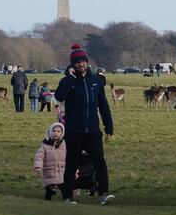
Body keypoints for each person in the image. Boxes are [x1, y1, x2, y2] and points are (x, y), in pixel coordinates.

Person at [55, 43, 115, 206]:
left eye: (83, 61)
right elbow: (59, 97)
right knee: (72, 163)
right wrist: (70, 79)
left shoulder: (96, 81)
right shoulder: (68, 81)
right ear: (73, 64)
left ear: (87, 62)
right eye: (77, 62)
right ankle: (68, 196)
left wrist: (109, 127)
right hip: (74, 130)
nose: (81, 64)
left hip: (93, 130)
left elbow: (103, 105)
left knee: (99, 161)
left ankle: (104, 193)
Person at [33, 122, 67, 201]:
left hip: (61, 170)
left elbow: (70, 158)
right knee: (49, 187)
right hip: (49, 170)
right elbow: (39, 156)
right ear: (50, 132)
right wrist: (38, 166)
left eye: (58, 132)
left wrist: (75, 170)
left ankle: (67, 199)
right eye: (54, 131)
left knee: (64, 186)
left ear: (62, 133)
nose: (56, 133)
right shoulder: (45, 145)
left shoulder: (65, 145)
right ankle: (47, 200)